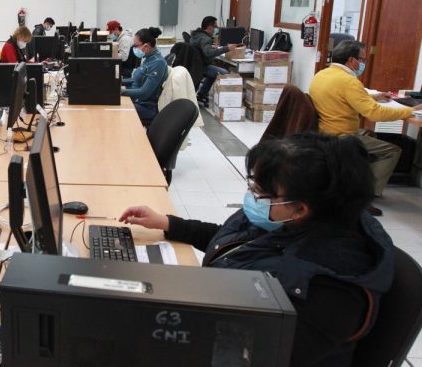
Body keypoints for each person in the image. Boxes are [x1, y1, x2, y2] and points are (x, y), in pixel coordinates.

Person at [120, 132, 394, 367]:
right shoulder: (298, 221)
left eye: (260, 191)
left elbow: (248, 354)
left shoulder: (329, 291)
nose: (252, 196)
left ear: (300, 208)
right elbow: (240, 244)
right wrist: (169, 224)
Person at [309, 40, 421, 214]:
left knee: (370, 135)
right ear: (352, 60)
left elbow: (343, 97)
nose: (363, 64)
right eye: (362, 60)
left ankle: (354, 180)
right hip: (341, 135)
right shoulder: (349, 81)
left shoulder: (322, 75)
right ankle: (365, 195)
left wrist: (374, 97)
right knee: (392, 150)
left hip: (324, 129)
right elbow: (374, 114)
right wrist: (409, 111)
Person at [189, 16, 242, 103]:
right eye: (215, 26)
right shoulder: (205, 38)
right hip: (201, 66)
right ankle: (225, 100)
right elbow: (209, 53)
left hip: (195, 65)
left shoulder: (196, 35)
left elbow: (200, 47)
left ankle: (202, 93)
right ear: (209, 27)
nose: (216, 29)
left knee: (214, 69)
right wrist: (227, 48)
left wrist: (210, 47)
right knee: (223, 72)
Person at [121, 27, 168, 125]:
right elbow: (137, 79)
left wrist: (120, 92)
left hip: (147, 108)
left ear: (146, 46)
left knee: (115, 111)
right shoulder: (148, 58)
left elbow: (144, 92)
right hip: (138, 102)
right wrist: (117, 81)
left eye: (135, 45)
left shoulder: (158, 63)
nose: (134, 48)